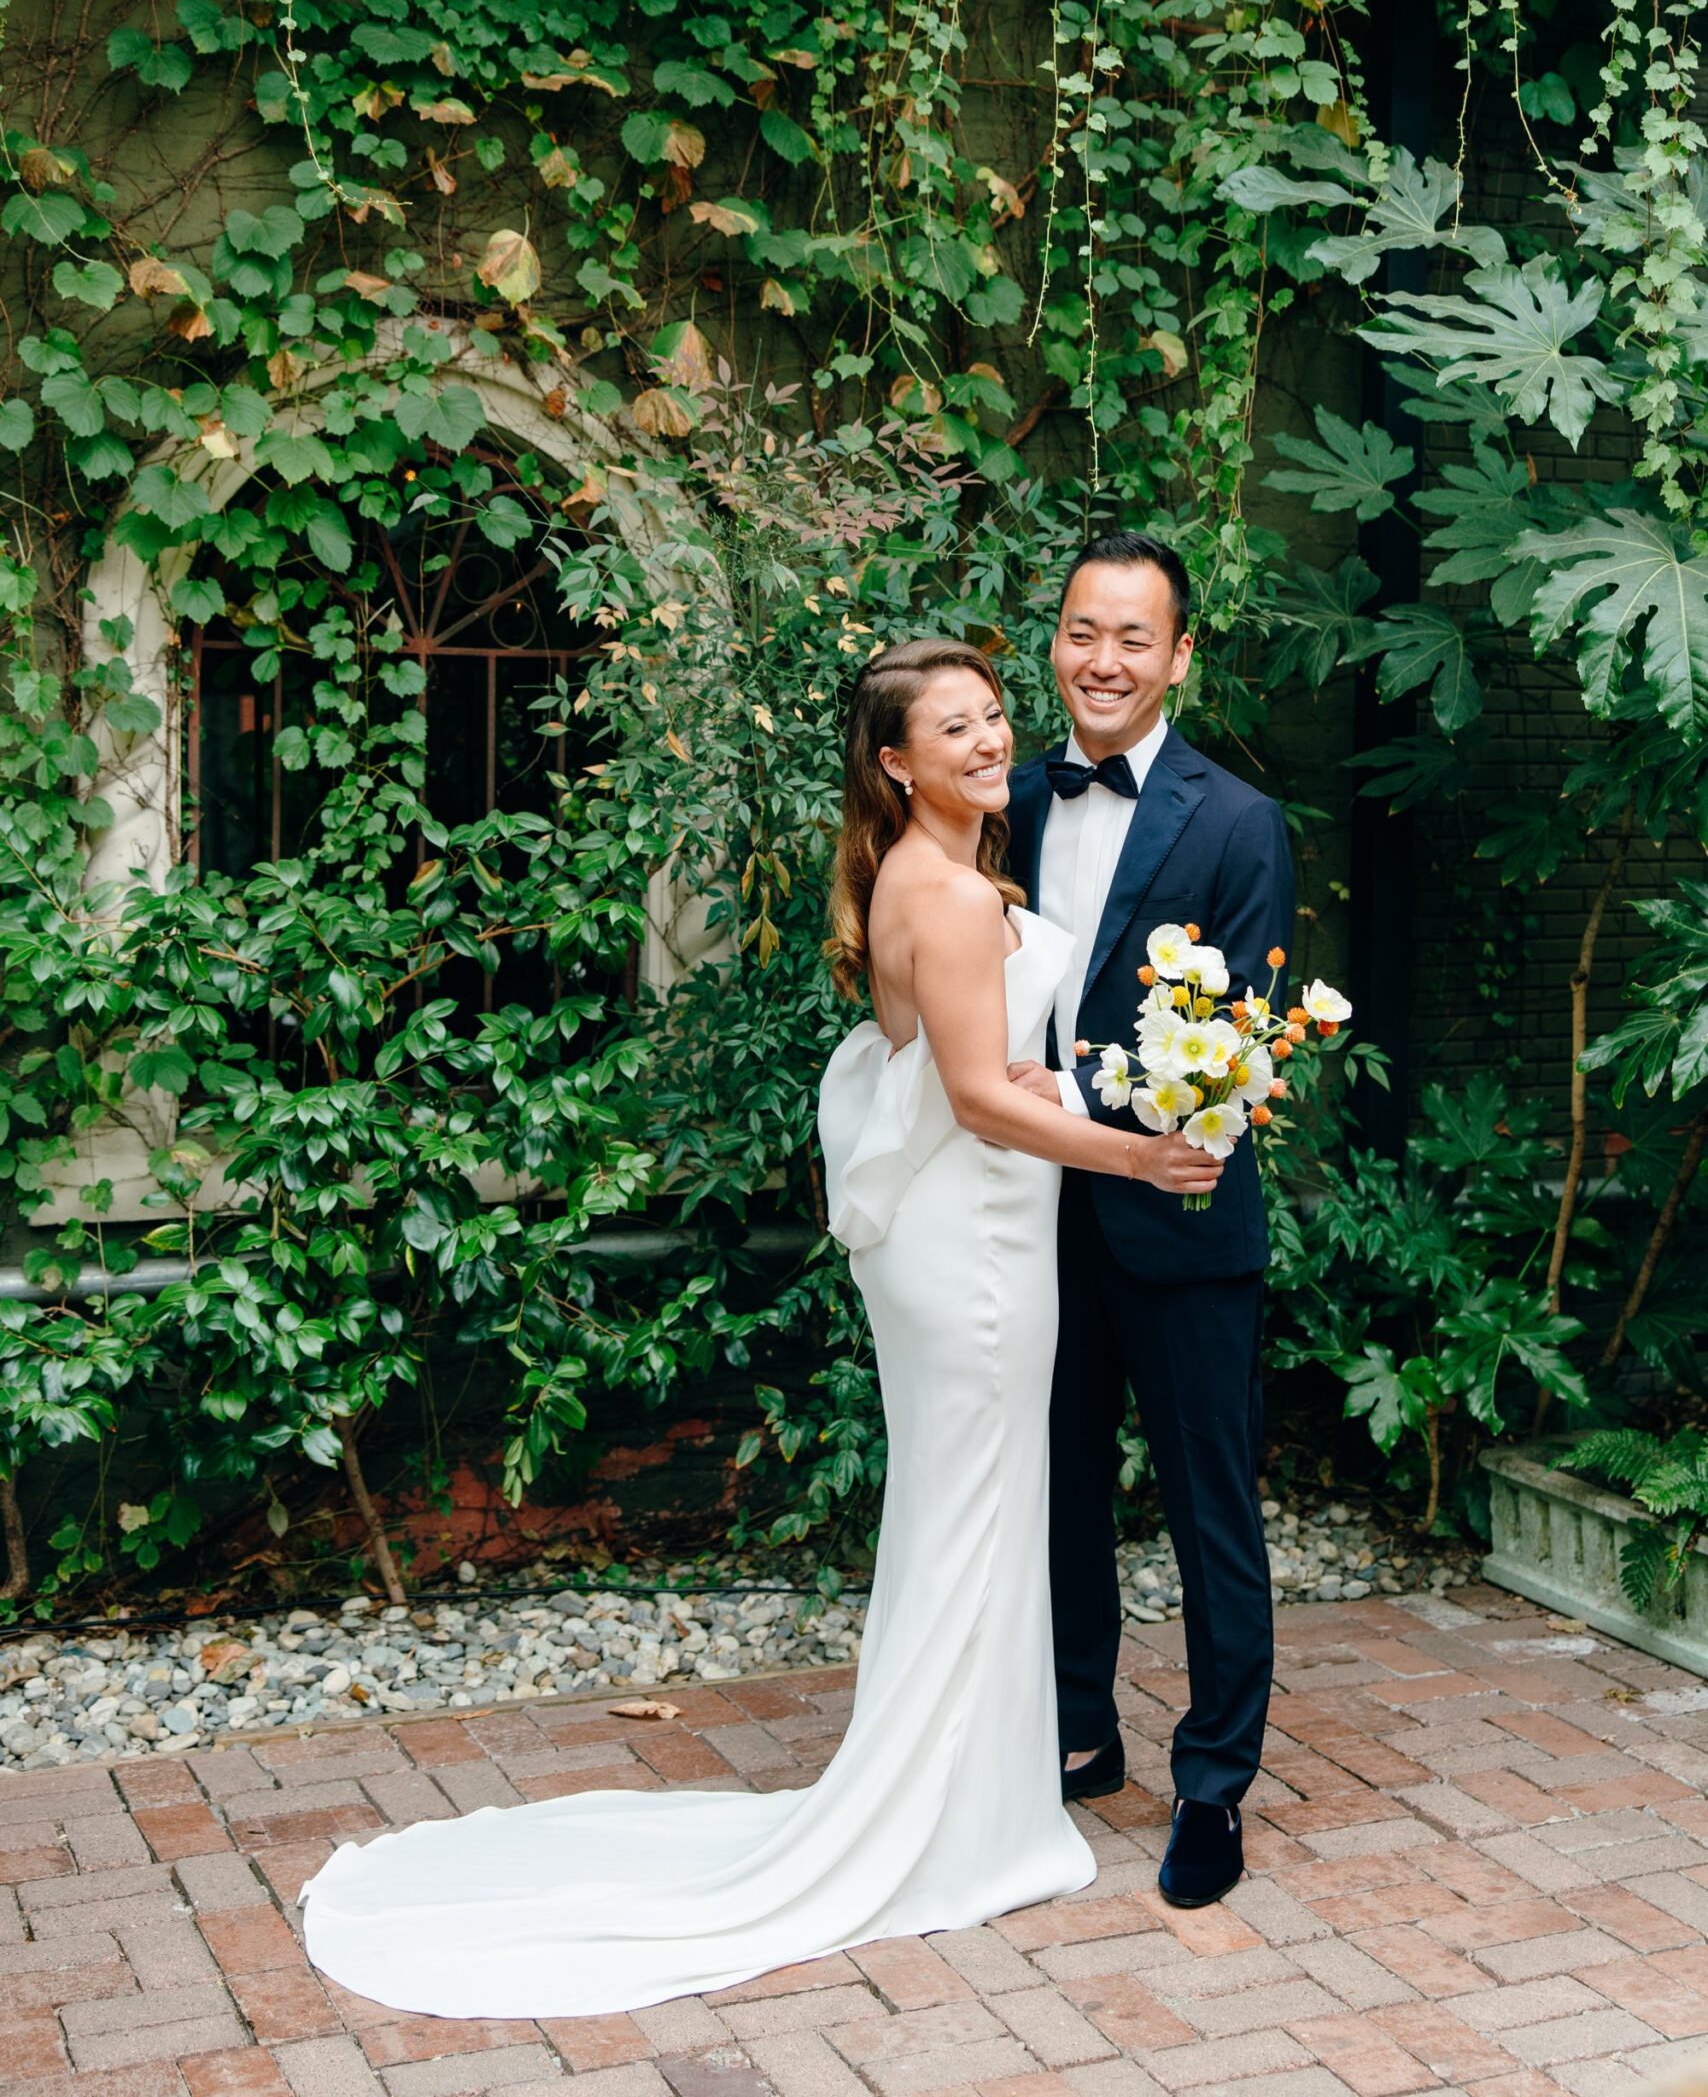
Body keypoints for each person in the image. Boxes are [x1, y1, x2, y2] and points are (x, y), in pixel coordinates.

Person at [298, 636, 1220, 2020]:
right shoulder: (955, 895)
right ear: (896, 762)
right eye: (953, 730)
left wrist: (1021, 1077)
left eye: (992, 718)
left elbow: (939, 1064)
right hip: (974, 1251)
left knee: (963, 1509)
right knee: (973, 1510)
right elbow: (973, 1101)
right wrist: (1139, 1154)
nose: (987, 743)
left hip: (964, 1233)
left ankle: (975, 1805)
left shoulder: (931, 877)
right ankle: (953, 1828)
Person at [1003, 531, 1294, 1912]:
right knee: (1056, 1489)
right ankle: (1079, 1730)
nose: (1101, 660)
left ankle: (1216, 1784)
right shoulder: (1001, 798)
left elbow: (1239, 1045)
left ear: (1179, 656)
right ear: (1052, 643)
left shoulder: (1238, 823)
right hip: (1028, 1215)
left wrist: (1106, 1111)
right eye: (1080, 632)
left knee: (1208, 1509)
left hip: (1181, 1223)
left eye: (1132, 638)